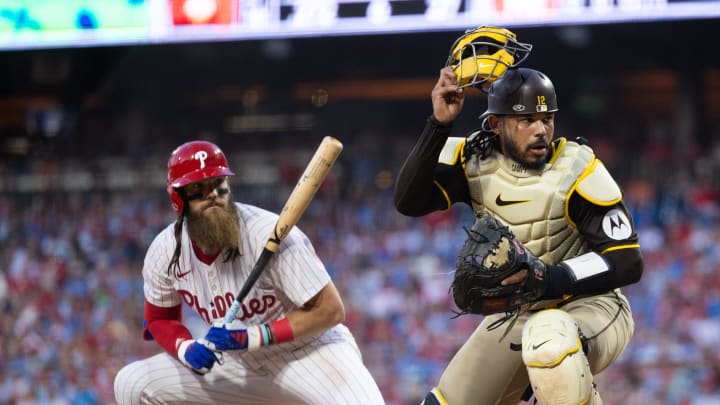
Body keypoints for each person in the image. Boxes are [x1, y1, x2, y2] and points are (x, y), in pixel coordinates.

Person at [393, 31, 644, 405]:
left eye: (547, 118)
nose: (540, 129)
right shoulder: (474, 160)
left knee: (549, 343)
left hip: (591, 306)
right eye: (526, 119)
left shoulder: (578, 167)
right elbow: (408, 202)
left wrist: (553, 278)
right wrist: (439, 124)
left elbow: (627, 261)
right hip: (520, 312)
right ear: (496, 124)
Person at [114, 140, 384, 404]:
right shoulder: (165, 251)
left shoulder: (267, 233)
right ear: (178, 200)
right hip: (238, 364)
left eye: (218, 185)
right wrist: (185, 349)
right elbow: (159, 320)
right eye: (198, 189)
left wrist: (250, 336)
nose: (212, 195)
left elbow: (330, 310)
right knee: (133, 383)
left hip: (309, 352)